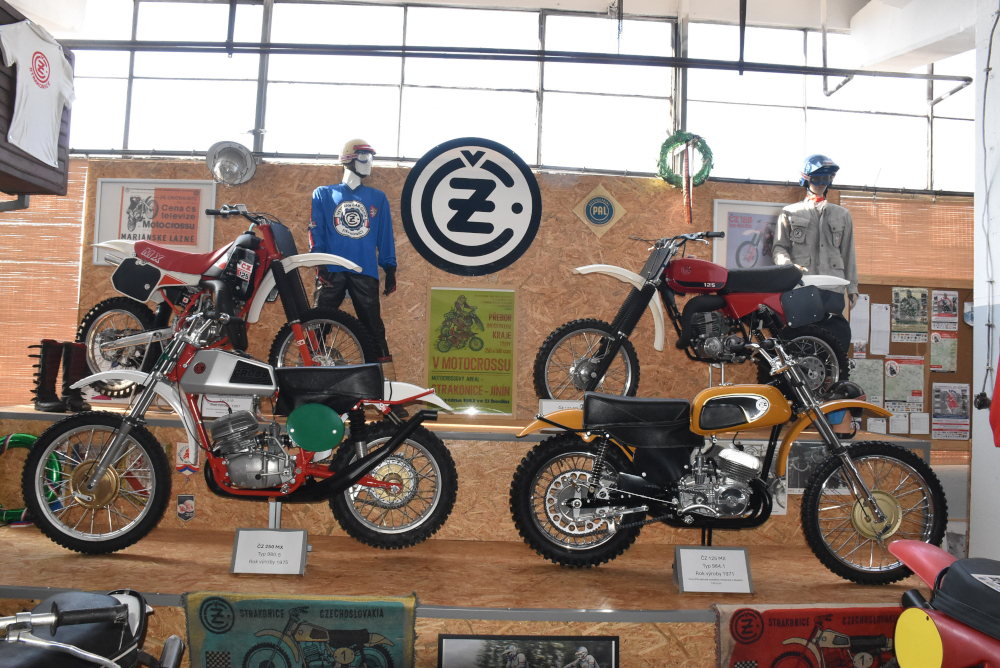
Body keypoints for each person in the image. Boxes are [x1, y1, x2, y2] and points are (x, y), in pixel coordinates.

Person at [310, 139, 397, 363]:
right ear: (348, 159)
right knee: (317, 324)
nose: (369, 163)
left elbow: (385, 234)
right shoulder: (323, 194)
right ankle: (308, 369)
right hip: (331, 268)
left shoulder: (378, 197)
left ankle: (381, 376)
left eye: (371, 158)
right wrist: (319, 261)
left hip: (364, 268)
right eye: (364, 157)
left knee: (374, 328)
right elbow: (316, 230)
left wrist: (390, 267)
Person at [772, 154, 858, 351]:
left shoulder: (842, 215)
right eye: (817, 179)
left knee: (834, 338)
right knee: (801, 337)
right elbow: (779, 247)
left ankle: (833, 369)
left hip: (833, 285)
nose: (821, 184)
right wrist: (789, 268)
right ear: (806, 179)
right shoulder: (790, 212)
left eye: (826, 179)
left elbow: (848, 252)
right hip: (802, 285)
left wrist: (852, 287)